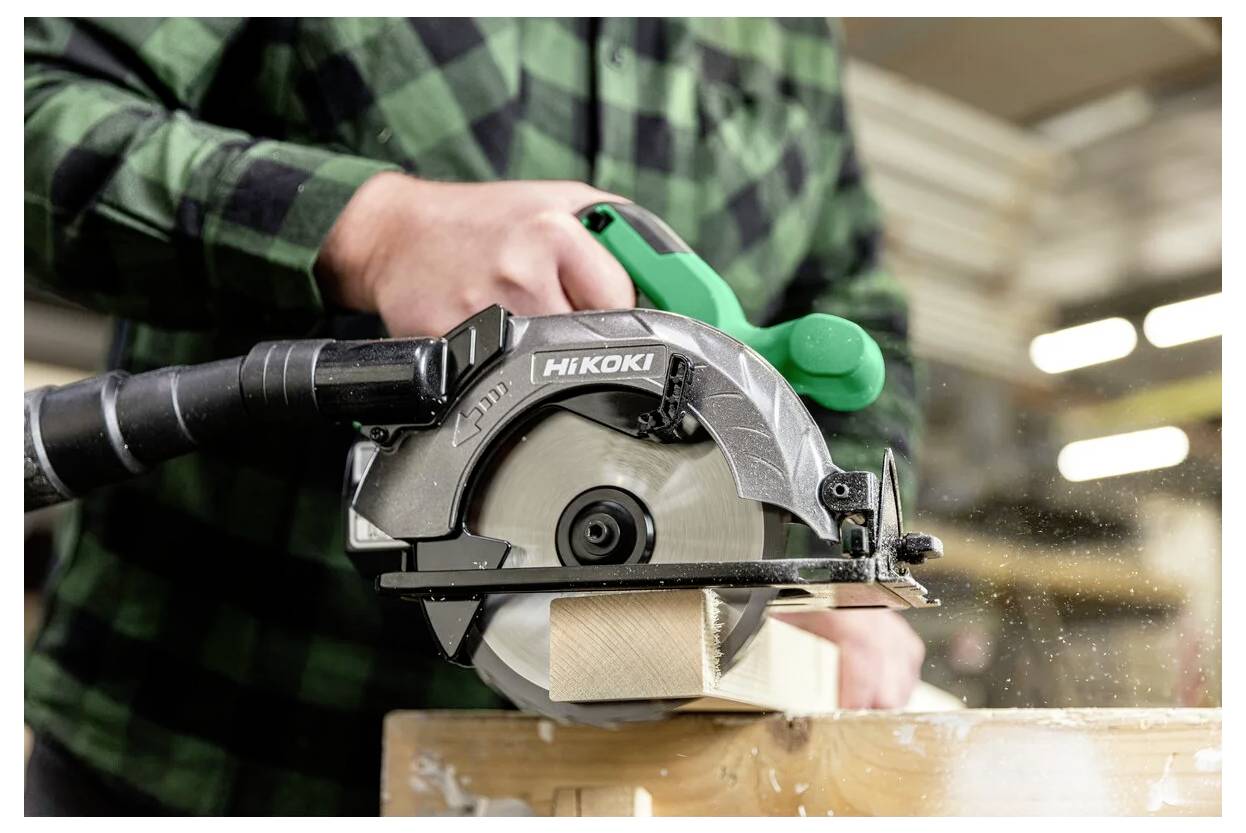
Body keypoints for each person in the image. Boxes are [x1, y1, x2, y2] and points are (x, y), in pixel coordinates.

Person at [24, 17, 925, 815]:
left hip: (625, 779)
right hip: (203, 744)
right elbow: (33, 101)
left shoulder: (795, 30)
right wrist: (375, 228)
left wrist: (827, 534)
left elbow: (856, 305)